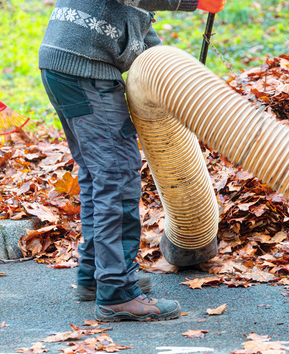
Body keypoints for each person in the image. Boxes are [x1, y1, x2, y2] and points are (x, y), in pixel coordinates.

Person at [38, 0, 226, 322]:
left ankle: (95, 274)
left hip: (65, 62)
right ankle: (117, 293)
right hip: (86, 69)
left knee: (98, 174)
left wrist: (179, 81)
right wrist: (193, 2)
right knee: (117, 177)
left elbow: (147, 49)